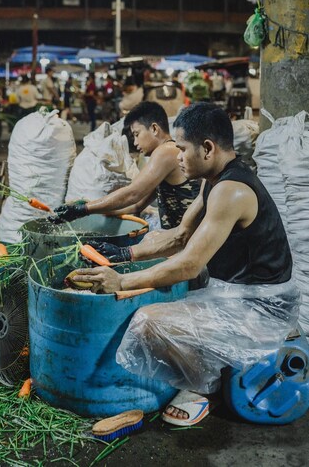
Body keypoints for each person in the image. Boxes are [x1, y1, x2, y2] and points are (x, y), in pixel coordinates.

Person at [68, 102, 300, 427]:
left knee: (149, 321)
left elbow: (190, 263)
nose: (176, 157)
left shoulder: (232, 191)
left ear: (207, 148)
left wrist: (120, 282)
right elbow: (179, 237)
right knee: (165, 297)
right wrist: (124, 256)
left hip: (260, 307)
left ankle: (204, 390)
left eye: (181, 149)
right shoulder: (212, 180)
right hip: (234, 292)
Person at [49, 101, 200, 229]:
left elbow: (133, 193)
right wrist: (96, 211)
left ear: (154, 129)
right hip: (176, 236)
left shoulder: (166, 151)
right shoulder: (167, 153)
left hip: (184, 240)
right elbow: (136, 206)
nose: (135, 142)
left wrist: (83, 209)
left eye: (136, 134)